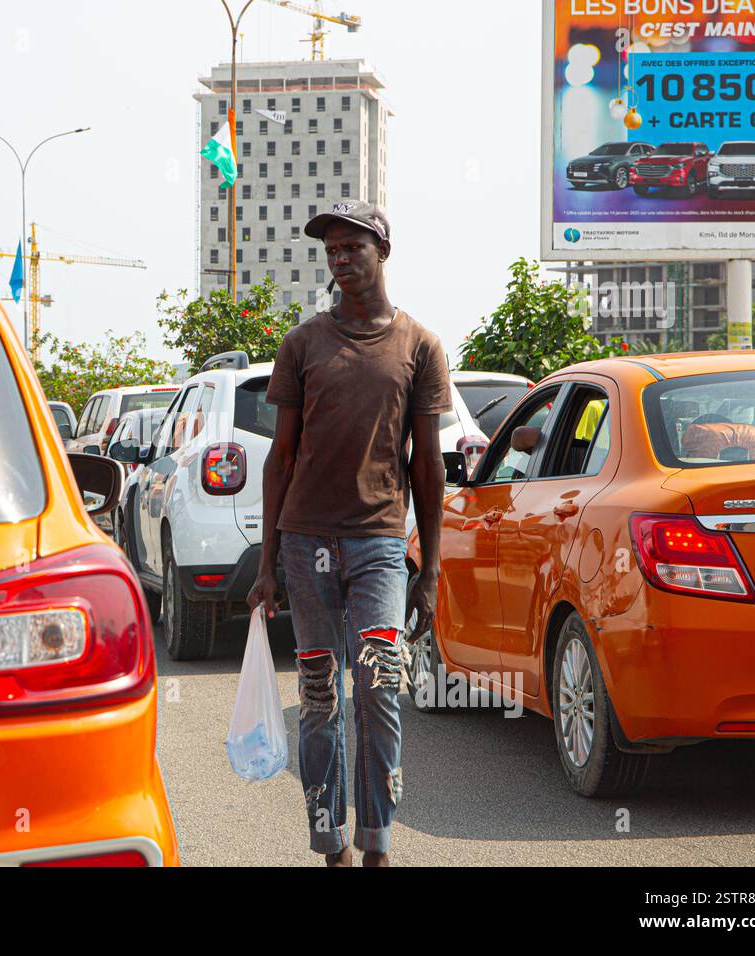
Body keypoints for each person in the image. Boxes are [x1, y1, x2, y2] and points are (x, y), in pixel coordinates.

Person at [247, 201, 450, 868]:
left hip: (379, 548)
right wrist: (268, 562)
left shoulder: (419, 346)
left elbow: (427, 462)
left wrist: (431, 570)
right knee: (319, 697)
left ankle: (377, 845)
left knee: (379, 688)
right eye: (331, 250)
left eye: (351, 247)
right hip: (306, 546)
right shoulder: (303, 344)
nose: (339, 259)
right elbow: (281, 457)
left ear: (382, 250)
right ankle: (329, 842)